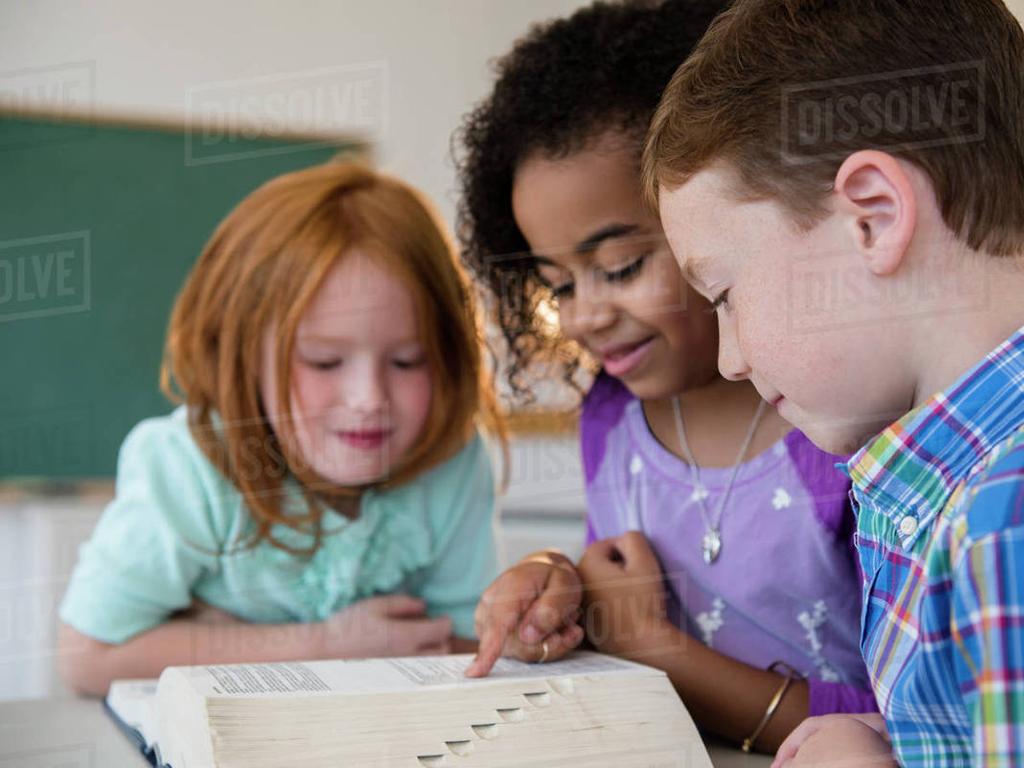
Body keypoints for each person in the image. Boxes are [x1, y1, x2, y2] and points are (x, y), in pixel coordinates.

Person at [457, 0, 875, 753]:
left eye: (619, 267)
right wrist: (555, 583)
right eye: (558, 284)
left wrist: (658, 652)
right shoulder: (610, 416)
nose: (584, 315)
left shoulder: (841, 417)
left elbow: (914, 718)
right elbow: (611, 586)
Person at [643, 0, 1024, 764]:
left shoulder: (1002, 523)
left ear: (874, 219)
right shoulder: (939, 489)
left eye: (723, 295)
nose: (728, 359)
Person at [57, 162, 502, 696]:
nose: (369, 400)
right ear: (244, 357)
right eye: (322, 361)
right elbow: (85, 657)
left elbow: (464, 641)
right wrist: (325, 647)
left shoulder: (449, 462)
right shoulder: (190, 469)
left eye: (408, 361)